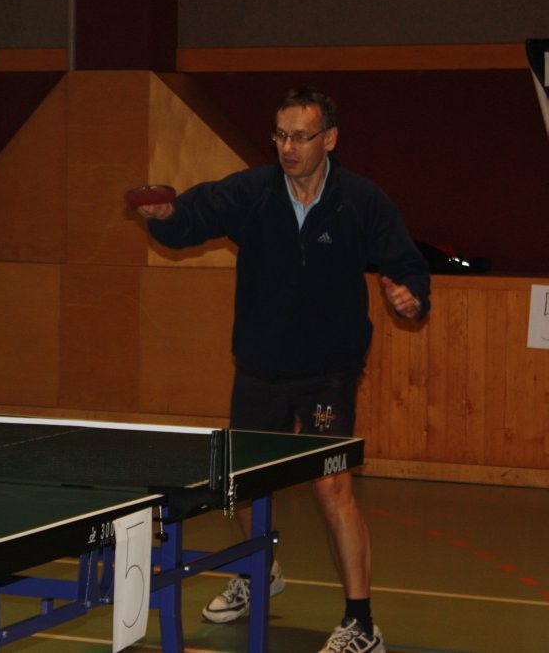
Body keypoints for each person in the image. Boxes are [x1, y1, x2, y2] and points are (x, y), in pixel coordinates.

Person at [137, 87, 430, 653]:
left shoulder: (360, 201)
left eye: (301, 136)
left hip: (328, 372)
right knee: (242, 485)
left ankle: (361, 623)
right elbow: (192, 217)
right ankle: (260, 571)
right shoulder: (253, 192)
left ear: (330, 139)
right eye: (280, 135)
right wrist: (166, 216)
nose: (288, 147)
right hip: (259, 368)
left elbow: (405, 262)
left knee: (331, 485)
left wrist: (411, 296)